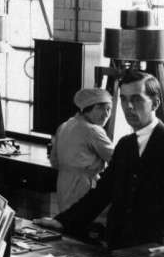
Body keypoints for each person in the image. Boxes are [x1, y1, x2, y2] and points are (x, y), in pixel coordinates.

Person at [51, 70, 164, 249]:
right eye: (124, 99)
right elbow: (102, 193)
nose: (129, 107)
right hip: (116, 247)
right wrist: (62, 221)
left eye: (136, 99)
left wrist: (158, 245)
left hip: (153, 251)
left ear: (155, 103)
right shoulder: (125, 145)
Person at [48, 86, 115, 215]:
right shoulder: (93, 130)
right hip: (83, 186)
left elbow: (54, 160)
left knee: (68, 221)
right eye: (100, 108)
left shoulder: (66, 124)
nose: (106, 114)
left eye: (109, 109)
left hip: (64, 183)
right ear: (87, 109)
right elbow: (115, 158)